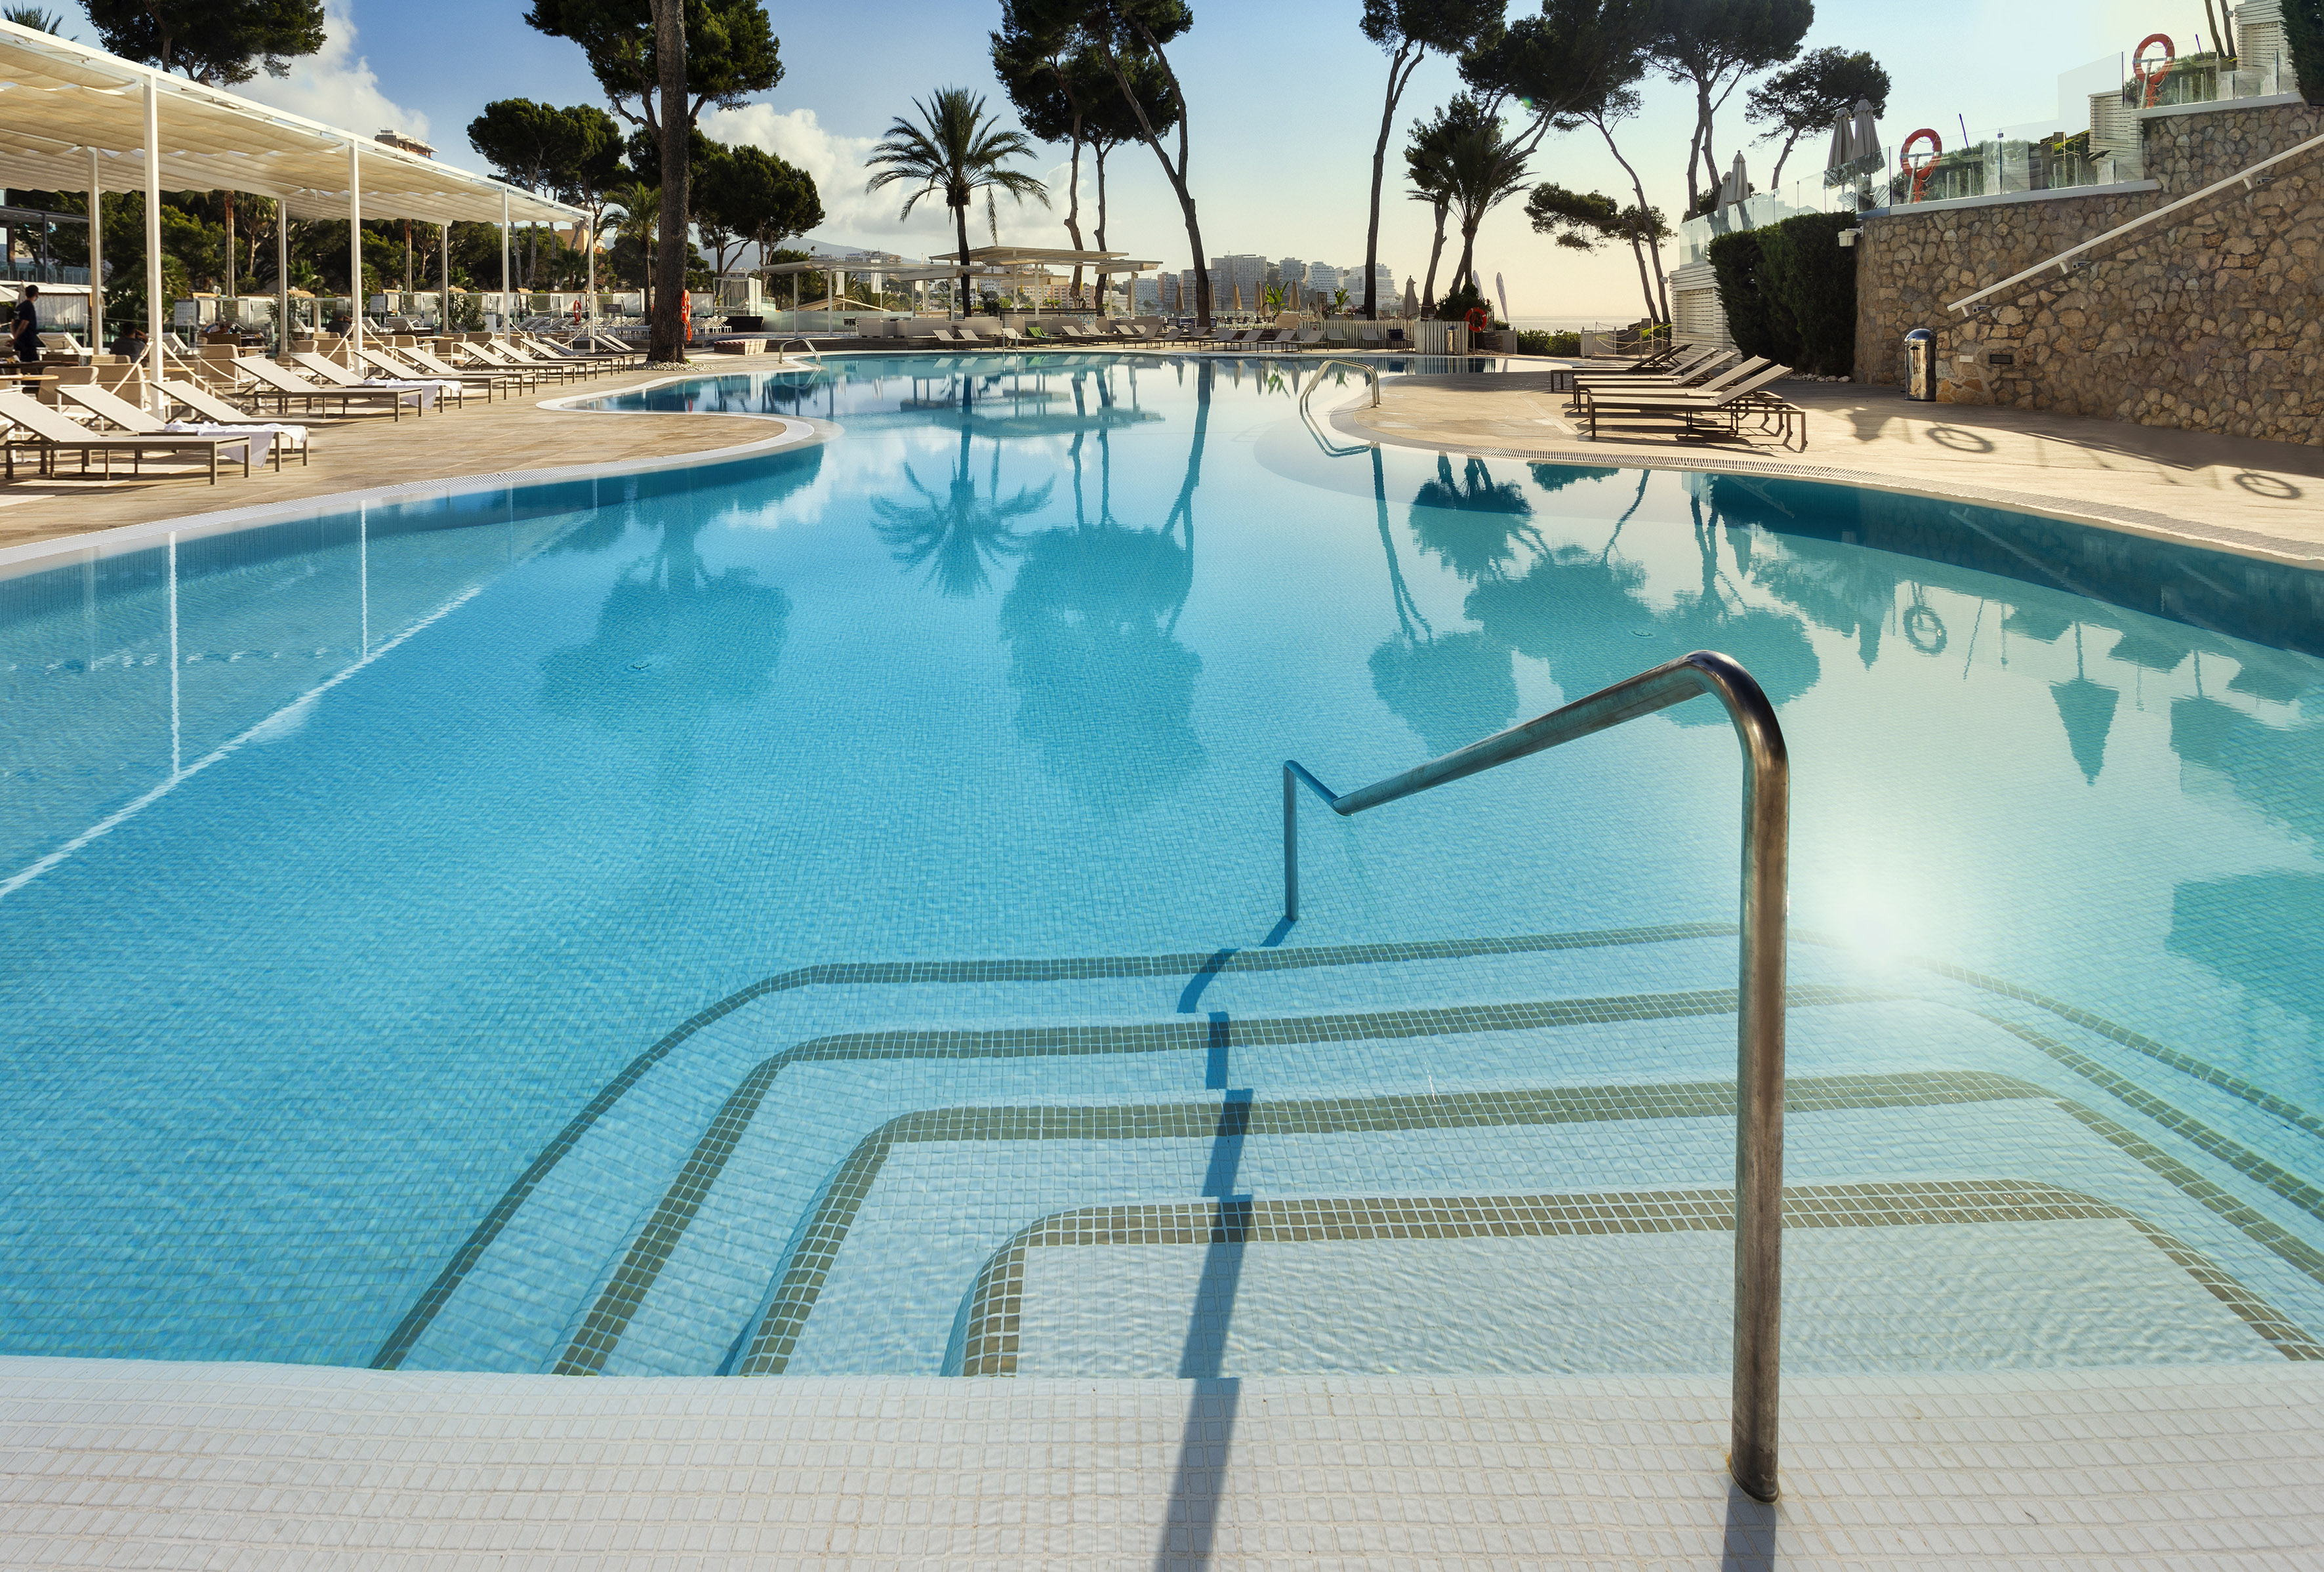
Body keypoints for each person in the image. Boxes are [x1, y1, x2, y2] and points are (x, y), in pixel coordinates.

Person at [10, 285, 41, 363]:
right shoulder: (29, 307)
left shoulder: (19, 307)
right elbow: (24, 325)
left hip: (19, 343)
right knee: (35, 366)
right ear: (36, 294)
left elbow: (12, 324)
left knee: (21, 364)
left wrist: (15, 338)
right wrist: (16, 338)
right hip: (28, 342)